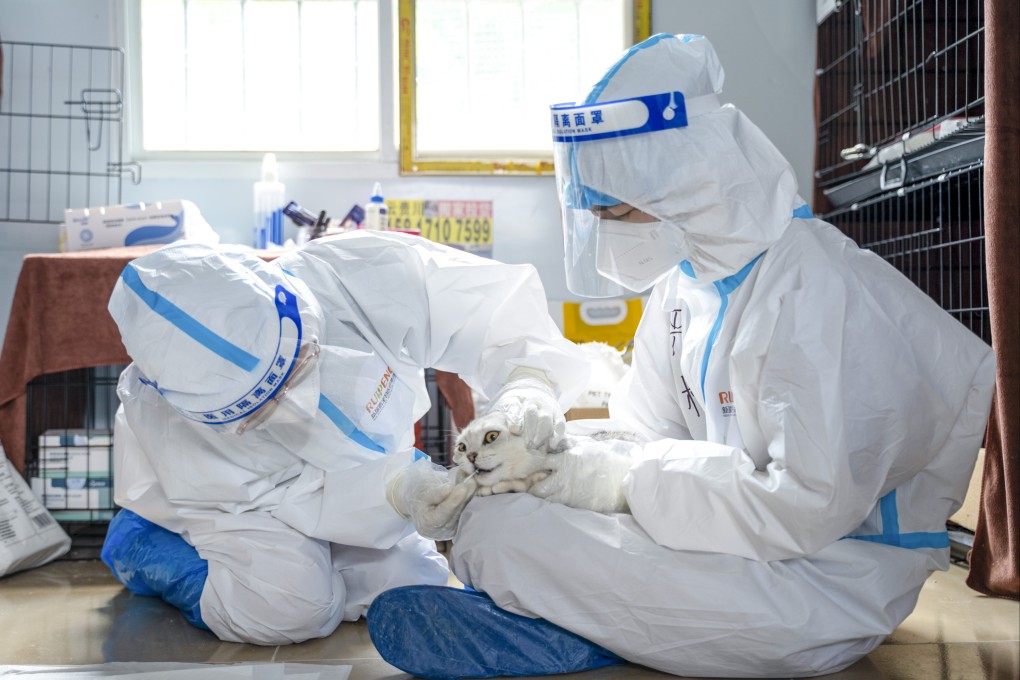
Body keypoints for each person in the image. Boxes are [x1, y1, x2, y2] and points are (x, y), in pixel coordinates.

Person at [364, 33, 997, 678]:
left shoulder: (814, 293)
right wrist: (537, 463)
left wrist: (614, 482)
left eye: (615, 210)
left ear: (688, 190)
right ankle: (579, 617)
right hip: (727, 539)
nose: (606, 231)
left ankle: (573, 628)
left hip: (826, 578)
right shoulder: (685, 286)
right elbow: (643, 433)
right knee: (495, 523)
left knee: (508, 544)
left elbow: (804, 508)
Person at [100, 231, 589, 645]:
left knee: (410, 584)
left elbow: (487, 313)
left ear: (288, 300)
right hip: (237, 505)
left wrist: (529, 382)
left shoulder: (354, 274)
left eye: (296, 366)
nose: (294, 404)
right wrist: (400, 492)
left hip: (347, 481)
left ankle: (332, 566)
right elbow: (283, 499)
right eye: (259, 409)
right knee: (287, 608)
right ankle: (142, 540)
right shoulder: (175, 423)